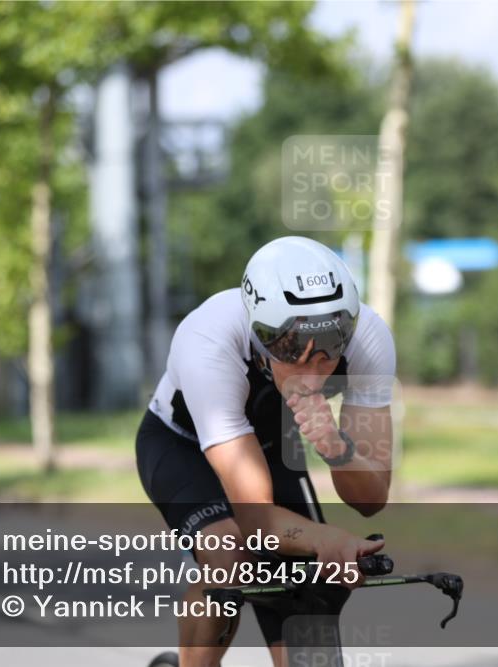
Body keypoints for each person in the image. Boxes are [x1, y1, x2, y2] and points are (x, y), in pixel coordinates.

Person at [136, 236, 396, 667]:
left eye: (331, 345)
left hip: (273, 444)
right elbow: (256, 522)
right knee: (232, 559)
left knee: (311, 588)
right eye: (293, 348)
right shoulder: (209, 341)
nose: (314, 372)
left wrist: (337, 448)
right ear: (261, 333)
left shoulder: (368, 337)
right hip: (181, 447)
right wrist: (325, 539)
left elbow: (371, 500)